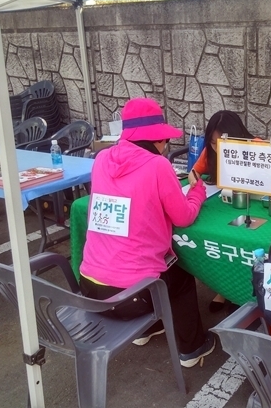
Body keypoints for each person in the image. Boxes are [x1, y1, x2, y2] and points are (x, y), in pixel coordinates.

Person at [79, 97, 215, 368]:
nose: (166, 146)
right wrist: (198, 191)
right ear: (156, 140)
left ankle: (146, 330)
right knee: (182, 277)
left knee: (145, 269)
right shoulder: (158, 166)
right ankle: (191, 349)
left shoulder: (102, 158)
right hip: (133, 296)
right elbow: (184, 217)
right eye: (164, 140)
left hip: (89, 289)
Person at [187, 110, 257, 312]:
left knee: (242, 244)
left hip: (253, 208)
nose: (217, 148)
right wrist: (194, 180)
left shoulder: (258, 147)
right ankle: (223, 289)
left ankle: (243, 294)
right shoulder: (210, 152)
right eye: (213, 142)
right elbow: (195, 171)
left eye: (222, 141)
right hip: (222, 206)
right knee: (220, 244)